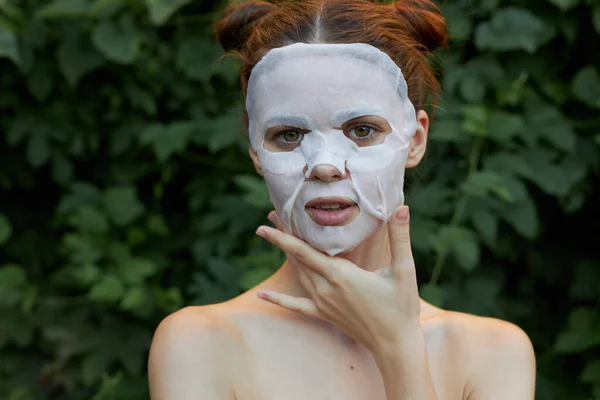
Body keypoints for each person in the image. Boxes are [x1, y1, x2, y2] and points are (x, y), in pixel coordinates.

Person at [148, 0, 536, 399]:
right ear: (255, 150)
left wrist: (398, 348)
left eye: (362, 130)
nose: (325, 167)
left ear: (416, 139)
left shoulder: (492, 352)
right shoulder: (202, 344)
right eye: (290, 135)